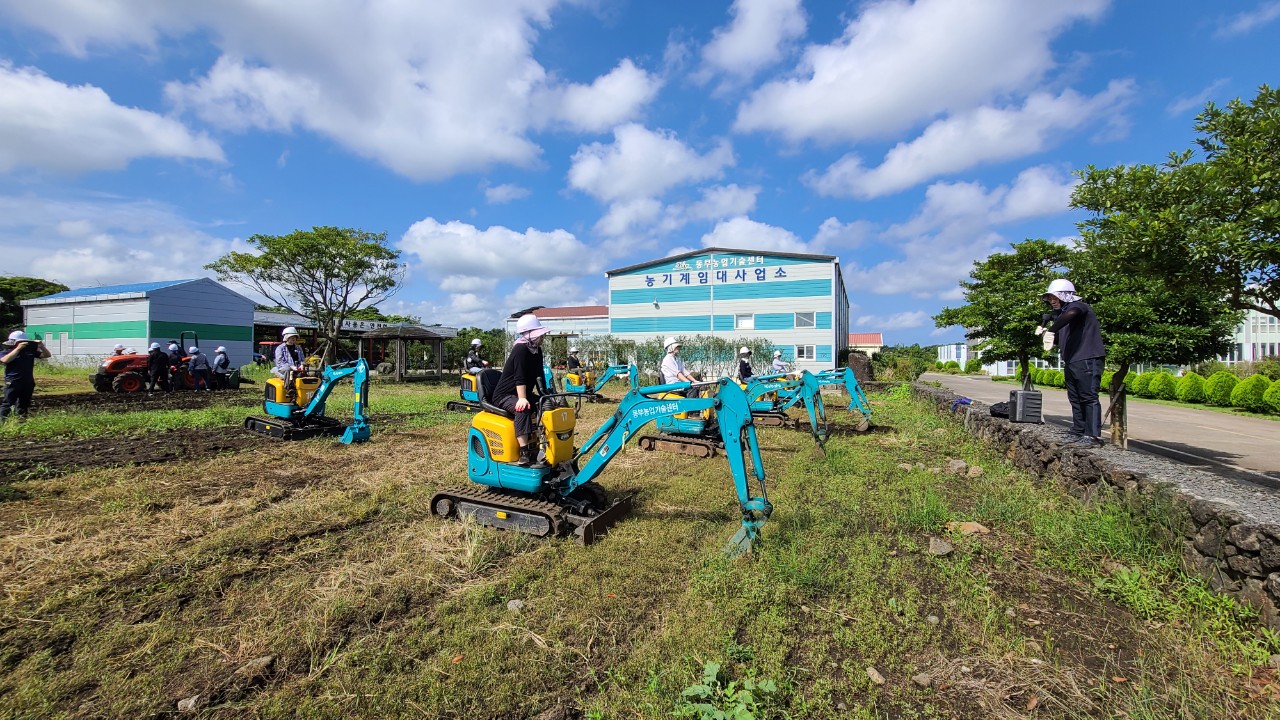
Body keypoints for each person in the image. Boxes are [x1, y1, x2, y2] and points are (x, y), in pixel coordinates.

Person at [1036, 278, 1106, 446]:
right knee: (1075, 397)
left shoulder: (1079, 307)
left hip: (1087, 358)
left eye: (1055, 297)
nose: (1052, 301)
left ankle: (1093, 436)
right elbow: (1061, 337)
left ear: (1065, 295)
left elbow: (1072, 313)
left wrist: (1052, 329)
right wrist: (1048, 333)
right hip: (1072, 360)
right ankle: (1077, 431)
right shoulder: (1062, 317)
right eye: (1049, 298)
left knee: (1088, 397)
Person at [493, 314, 551, 466]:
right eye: (540, 334)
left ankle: (544, 445)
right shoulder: (520, 349)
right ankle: (524, 451)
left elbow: (540, 375)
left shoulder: (536, 351)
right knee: (523, 409)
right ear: (530, 334)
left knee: (545, 404)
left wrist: (545, 395)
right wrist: (522, 398)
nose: (543, 337)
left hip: (521, 392)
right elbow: (520, 376)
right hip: (505, 395)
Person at [1, 331, 50, 419]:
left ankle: (21, 422)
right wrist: (18, 349)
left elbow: (46, 355)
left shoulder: (29, 352)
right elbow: (5, 360)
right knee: (8, 403)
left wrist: (41, 346)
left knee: (23, 404)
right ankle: (2, 422)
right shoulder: (7, 351)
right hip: (13, 381)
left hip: (28, 381)